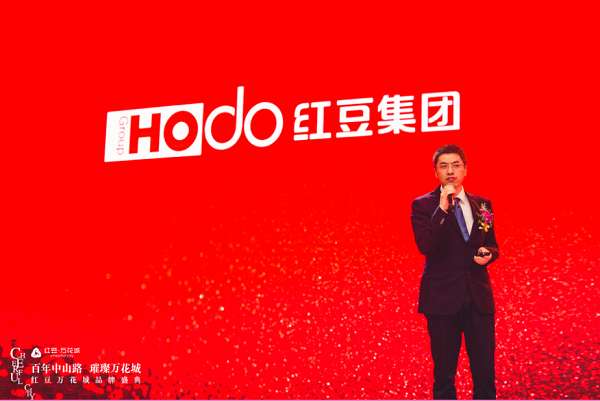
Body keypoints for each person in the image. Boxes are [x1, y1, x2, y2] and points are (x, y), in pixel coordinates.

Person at [410, 144, 500, 399]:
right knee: (444, 376)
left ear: (465, 169)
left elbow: (492, 244)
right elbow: (426, 246)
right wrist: (442, 208)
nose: (450, 171)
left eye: (456, 165)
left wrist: (488, 254)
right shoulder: (423, 205)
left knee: (485, 374)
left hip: (478, 300)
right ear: (436, 172)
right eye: (444, 166)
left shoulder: (483, 204)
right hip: (442, 302)